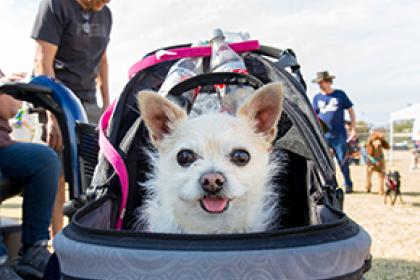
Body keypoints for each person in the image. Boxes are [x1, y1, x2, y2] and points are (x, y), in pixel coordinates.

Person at [31, 0, 112, 234]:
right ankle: (57, 243)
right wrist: (53, 114)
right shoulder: (56, 5)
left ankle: (86, 238)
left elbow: (102, 60)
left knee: (95, 177)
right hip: (56, 99)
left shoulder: (106, 14)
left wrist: (107, 105)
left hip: (88, 103)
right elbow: (42, 60)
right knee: (56, 175)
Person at [0, 74, 60, 279]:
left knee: (44, 159)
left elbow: (10, 108)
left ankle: (35, 248)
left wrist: (11, 85)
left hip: (3, 146)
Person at [312, 71, 356, 193]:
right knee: (323, 161)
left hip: (339, 135)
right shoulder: (316, 98)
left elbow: (351, 111)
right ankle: (327, 184)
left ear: (328, 82)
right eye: (318, 83)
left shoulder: (339, 95)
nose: (320, 85)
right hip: (323, 136)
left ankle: (348, 183)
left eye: (322, 82)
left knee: (342, 160)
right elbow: (313, 115)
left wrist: (353, 129)